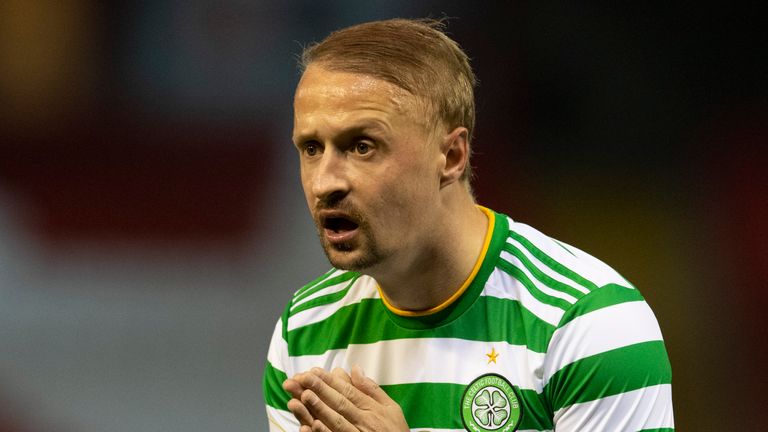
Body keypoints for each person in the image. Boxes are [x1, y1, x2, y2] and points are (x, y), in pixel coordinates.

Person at [263, 18, 674, 432]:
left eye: (362, 146)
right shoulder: (303, 330)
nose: (325, 182)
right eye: (311, 148)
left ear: (452, 156)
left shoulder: (589, 323)